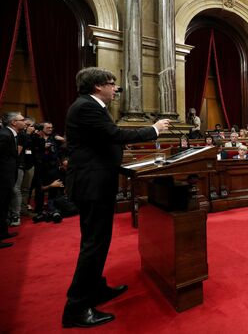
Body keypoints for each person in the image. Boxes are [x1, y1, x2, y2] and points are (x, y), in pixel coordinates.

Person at [62, 67, 170, 328]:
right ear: (98, 86)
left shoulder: (90, 106)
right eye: (112, 84)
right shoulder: (87, 107)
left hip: (96, 182)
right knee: (94, 244)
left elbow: (107, 140)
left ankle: (95, 289)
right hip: (92, 184)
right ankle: (76, 307)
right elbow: (116, 135)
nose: (115, 89)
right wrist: (153, 130)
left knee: (98, 241)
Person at [1, 112, 26, 248]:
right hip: (2, 178)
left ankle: (3, 233)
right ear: (13, 123)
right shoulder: (4, 135)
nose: (25, 121)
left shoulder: (10, 134)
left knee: (4, 206)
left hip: (7, 176)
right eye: (22, 120)